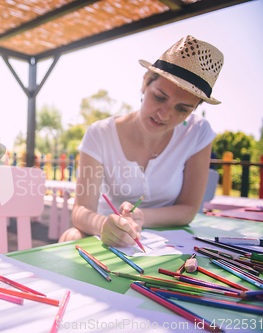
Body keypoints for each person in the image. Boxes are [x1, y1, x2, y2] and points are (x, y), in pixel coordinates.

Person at [59, 36, 223, 247]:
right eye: (159, 97)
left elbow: (188, 209)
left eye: (182, 109)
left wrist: (142, 217)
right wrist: (104, 225)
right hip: (107, 237)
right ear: (145, 82)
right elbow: (81, 211)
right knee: (71, 237)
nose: (164, 115)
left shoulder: (197, 132)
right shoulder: (100, 133)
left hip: (169, 244)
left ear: (196, 107)